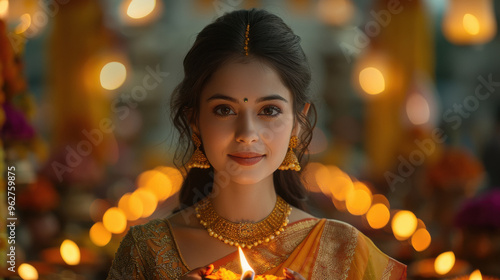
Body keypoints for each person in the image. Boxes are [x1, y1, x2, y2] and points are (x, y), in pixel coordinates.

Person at [107, 9, 407, 280]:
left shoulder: (344, 251)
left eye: (269, 110)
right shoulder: (145, 251)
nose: (247, 133)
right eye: (224, 110)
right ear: (195, 120)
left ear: (298, 122)